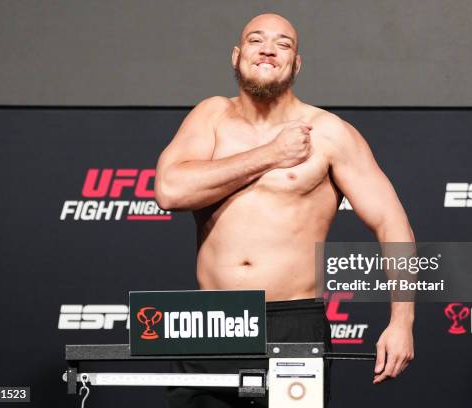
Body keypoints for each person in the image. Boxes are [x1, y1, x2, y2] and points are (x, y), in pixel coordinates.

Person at [155, 13, 415, 408]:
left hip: (291, 324)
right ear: (237, 56)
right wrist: (271, 154)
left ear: (296, 63)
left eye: (283, 44)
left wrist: (402, 322)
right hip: (209, 321)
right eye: (257, 40)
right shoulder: (210, 116)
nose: (269, 49)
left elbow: (391, 222)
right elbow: (170, 191)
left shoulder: (329, 133)